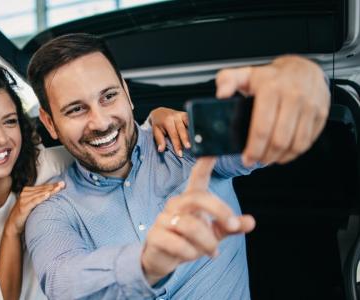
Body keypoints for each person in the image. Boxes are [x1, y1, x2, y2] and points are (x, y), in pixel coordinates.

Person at [24, 33, 330, 299]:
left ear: (127, 94)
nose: (101, 122)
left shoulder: (187, 141)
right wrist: (146, 264)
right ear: (50, 123)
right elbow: (63, 284)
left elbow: (269, 133)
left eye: (108, 96)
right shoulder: (53, 209)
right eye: (76, 109)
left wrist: (304, 84)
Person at [0, 57, 188, 300]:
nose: (0, 139)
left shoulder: (47, 164)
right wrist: (12, 228)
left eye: (9, 122)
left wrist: (156, 119)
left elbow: (108, 143)